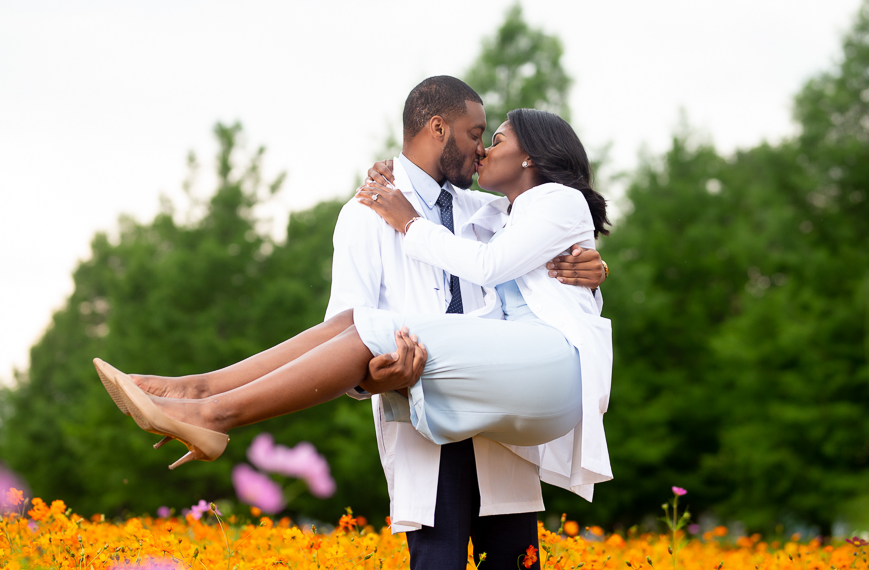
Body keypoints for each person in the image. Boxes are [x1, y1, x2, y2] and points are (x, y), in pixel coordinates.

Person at [95, 77, 612, 570]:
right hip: (423, 418)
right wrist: (377, 379)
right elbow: (343, 339)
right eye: (476, 135)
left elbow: (541, 260)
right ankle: (197, 394)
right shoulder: (365, 215)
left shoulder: (494, 211)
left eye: (488, 138)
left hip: (502, 420)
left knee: (512, 560)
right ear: (437, 129)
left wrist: (593, 269)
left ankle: (207, 404)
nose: (481, 150)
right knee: (357, 325)